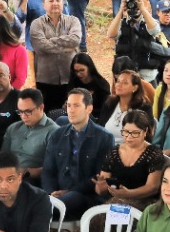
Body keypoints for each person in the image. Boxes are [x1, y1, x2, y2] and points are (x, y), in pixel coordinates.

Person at [42, 88, 115, 224]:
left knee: (51, 207)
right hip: (57, 195)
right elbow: (48, 170)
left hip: (85, 195)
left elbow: (98, 176)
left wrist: (68, 191)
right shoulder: (57, 135)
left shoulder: (104, 137)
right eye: (69, 105)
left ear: (89, 109)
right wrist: (51, 192)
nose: (71, 110)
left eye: (76, 105)